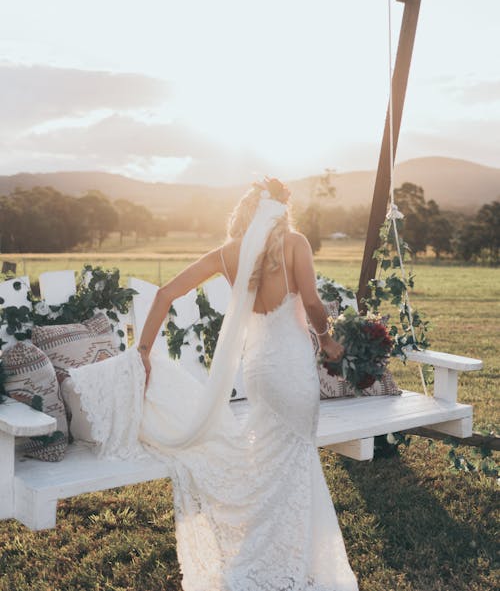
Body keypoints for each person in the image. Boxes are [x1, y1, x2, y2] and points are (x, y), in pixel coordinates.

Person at [133, 177, 359, 591]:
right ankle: (283, 563)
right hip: (291, 368)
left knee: (270, 462)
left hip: (258, 371)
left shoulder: (228, 254)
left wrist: (144, 350)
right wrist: (326, 338)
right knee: (294, 459)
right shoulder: (295, 244)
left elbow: (165, 294)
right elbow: (311, 303)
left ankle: (273, 556)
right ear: (280, 211)